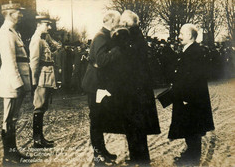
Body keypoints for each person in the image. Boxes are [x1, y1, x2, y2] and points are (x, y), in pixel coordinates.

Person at [108, 10, 161, 165]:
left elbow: (126, 61)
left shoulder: (130, 37)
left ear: (125, 23)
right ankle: (139, 157)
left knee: (134, 126)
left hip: (133, 91)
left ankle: (140, 159)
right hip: (139, 90)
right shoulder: (138, 37)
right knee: (137, 127)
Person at [169, 24, 215, 164]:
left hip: (190, 98)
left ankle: (192, 159)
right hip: (189, 97)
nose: (179, 36)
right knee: (189, 127)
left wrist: (186, 97)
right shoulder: (191, 50)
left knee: (193, 128)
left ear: (190, 35)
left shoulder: (194, 52)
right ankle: (190, 154)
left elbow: (194, 78)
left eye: (182, 33)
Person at [0, 1, 31, 164]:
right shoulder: (6, 32)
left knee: (13, 118)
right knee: (9, 119)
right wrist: (18, 83)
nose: (20, 15)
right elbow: (9, 61)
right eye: (17, 12)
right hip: (12, 82)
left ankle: (13, 152)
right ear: (9, 13)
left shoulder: (13, 31)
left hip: (16, 81)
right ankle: (8, 155)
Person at [81, 10, 121, 164]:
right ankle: (98, 154)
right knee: (96, 119)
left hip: (99, 84)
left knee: (100, 118)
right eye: (117, 22)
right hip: (95, 85)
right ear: (110, 21)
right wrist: (116, 51)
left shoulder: (105, 36)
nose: (118, 25)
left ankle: (101, 150)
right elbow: (101, 60)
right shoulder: (101, 37)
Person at [29, 15, 56, 148]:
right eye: (47, 24)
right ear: (39, 24)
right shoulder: (36, 40)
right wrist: (34, 82)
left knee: (43, 106)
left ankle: (40, 137)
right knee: (39, 106)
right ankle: (37, 139)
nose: (49, 27)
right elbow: (34, 62)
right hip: (41, 78)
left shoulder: (43, 39)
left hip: (46, 76)